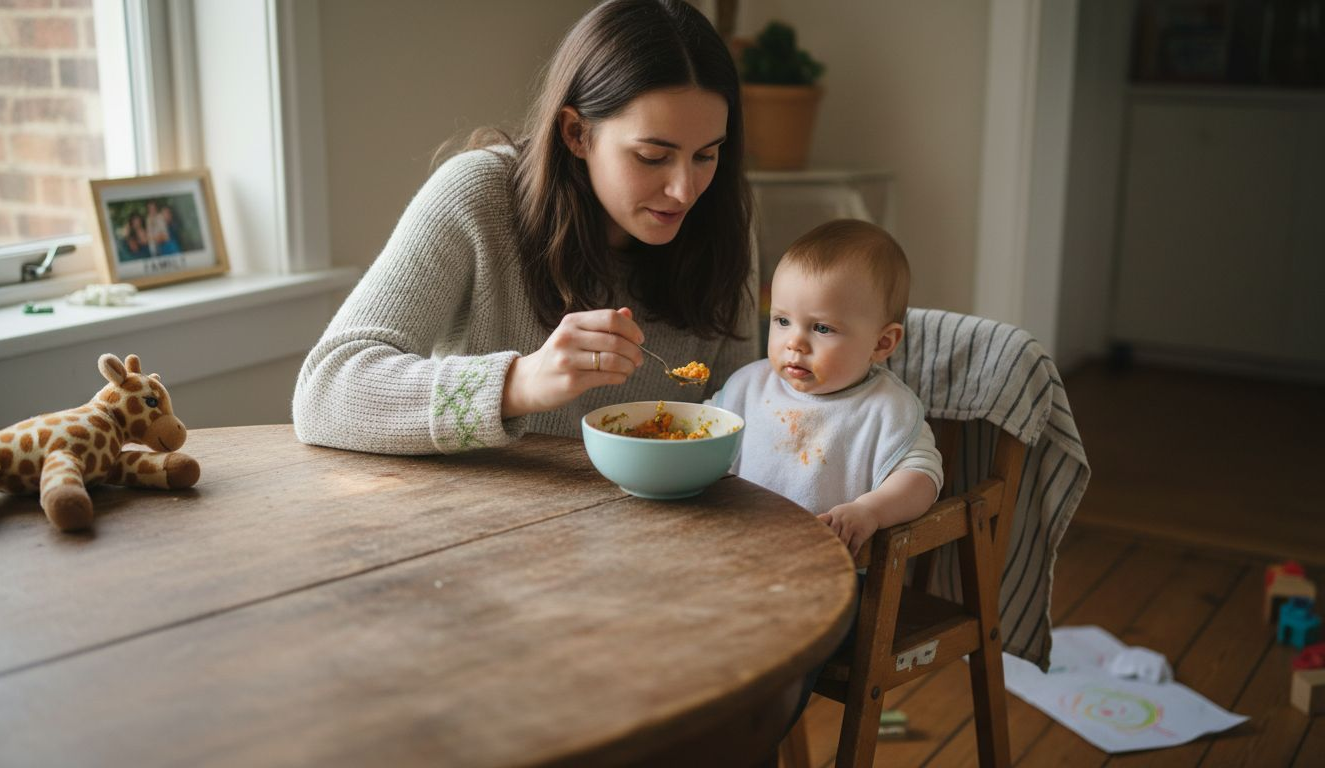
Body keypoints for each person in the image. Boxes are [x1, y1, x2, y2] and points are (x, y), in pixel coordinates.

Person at [292, 0, 756, 455]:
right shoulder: (478, 194)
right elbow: (325, 391)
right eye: (652, 156)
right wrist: (520, 382)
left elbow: (745, 418)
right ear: (576, 133)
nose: (684, 190)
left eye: (706, 155)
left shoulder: (719, 221)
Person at [712, 219, 943, 556]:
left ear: (882, 342)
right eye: (782, 320)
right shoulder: (750, 387)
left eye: (821, 327)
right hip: (733, 551)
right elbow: (702, 435)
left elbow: (922, 479)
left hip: (829, 572)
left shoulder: (884, 409)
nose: (795, 342)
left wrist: (871, 510)